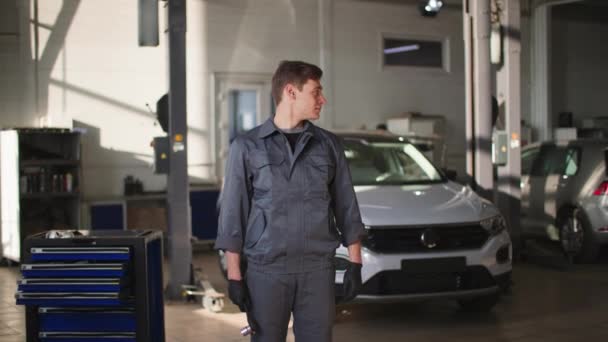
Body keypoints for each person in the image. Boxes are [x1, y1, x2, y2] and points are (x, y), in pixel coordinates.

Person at [215, 60, 365, 342]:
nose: (323, 99)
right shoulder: (247, 147)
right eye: (316, 92)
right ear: (291, 92)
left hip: (317, 271)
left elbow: (346, 205)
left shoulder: (328, 145)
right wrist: (235, 276)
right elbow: (232, 214)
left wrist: (356, 264)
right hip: (266, 271)